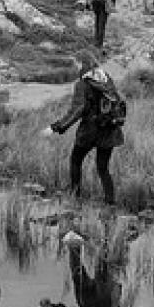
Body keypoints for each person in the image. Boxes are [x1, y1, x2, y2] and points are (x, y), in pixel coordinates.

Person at [49, 50, 124, 205]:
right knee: (103, 168)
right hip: (110, 128)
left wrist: (58, 127)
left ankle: (75, 196)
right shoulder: (106, 78)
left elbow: (77, 110)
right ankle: (110, 202)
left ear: (83, 64)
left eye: (76, 64)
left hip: (90, 130)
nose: (75, 67)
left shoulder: (82, 83)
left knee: (76, 160)